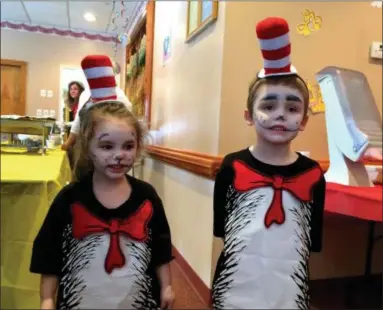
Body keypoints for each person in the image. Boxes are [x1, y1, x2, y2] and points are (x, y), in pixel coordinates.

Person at [211, 17, 326, 310]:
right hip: (237, 283)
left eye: (291, 108)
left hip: (288, 286)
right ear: (249, 115)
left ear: (303, 121)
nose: (280, 115)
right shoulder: (231, 167)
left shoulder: (313, 175)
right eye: (268, 106)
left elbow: (310, 241)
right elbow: (223, 230)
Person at [30, 100, 174, 308]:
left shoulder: (147, 196)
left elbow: (161, 248)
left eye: (128, 146)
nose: (119, 155)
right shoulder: (69, 199)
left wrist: (167, 286)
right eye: (107, 146)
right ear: (88, 147)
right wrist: (47, 298)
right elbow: (49, 253)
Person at [62, 55, 133, 151]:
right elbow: (78, 121)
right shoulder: (85, 94)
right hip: (86, 145)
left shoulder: (119, 95)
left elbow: (128, 120)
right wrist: (68, 143)